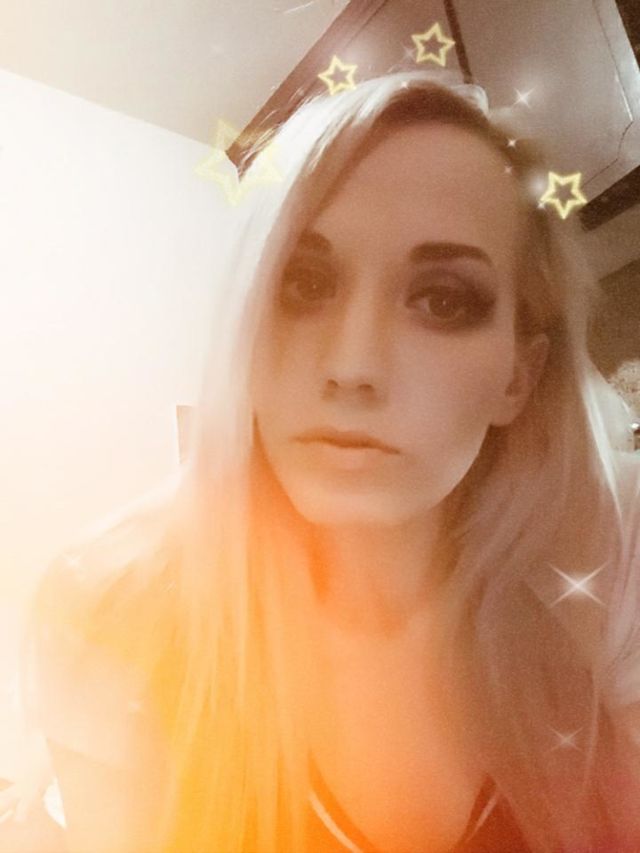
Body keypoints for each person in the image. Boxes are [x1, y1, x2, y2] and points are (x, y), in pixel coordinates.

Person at [26, 70, 640, 853]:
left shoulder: (600, 574)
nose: (352, 366)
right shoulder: (111, 615)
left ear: (518, 378)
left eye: (442, 299)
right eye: (303, 282)